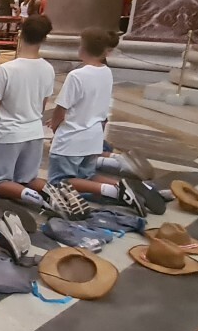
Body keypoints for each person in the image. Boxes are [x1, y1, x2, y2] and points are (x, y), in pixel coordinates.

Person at [46, 28, 147, 211]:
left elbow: (62, 107)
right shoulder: (106, 71)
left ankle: (115, 192)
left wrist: (55, 125)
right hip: (93, 136)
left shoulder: (77, 75)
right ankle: (124, 187)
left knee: (59, 182)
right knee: (86, 176)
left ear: (83, 48)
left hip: (72, 137)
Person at [0, 15, 55, 206]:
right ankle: (55, 193)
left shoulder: (6, 69)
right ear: (44, 38)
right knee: (27, 179)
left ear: (20, 34)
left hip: (8, 131)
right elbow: (42, 104)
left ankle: (36, 199)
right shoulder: (48, 68)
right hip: (34, 131)